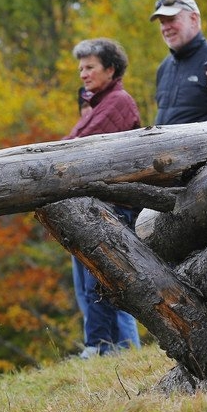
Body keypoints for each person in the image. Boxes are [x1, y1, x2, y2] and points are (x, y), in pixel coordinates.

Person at [62, 38, 142, 356]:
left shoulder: (118, 102)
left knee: (102, 283)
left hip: (113, 209)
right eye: (81, 68)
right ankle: (102, 347)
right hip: (95, 208)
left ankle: (102, 347)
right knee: (90, 285)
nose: (83, 74)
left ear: (110, 68)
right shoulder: (101, 103)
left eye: (90, 67)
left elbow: (82, 146)